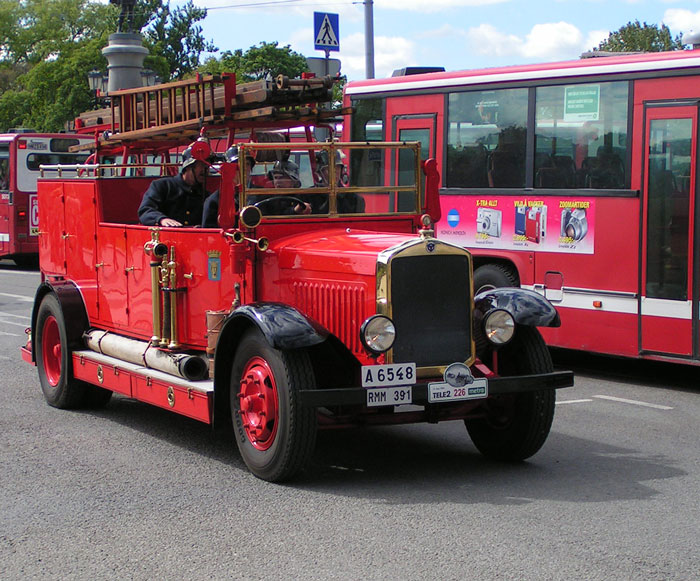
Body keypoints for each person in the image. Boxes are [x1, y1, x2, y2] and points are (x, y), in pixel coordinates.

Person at [138, 151, 208, 227]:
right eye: (202, 165)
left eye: (207, 166)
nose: (206, 169)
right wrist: (161, 219)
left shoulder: (206, 195)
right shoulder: (162, 186)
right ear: (188, 167)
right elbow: (145, 210)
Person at [201, 146, 256, 228]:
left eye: (247, 164)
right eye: (237, 164)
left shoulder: (261, 195)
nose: (243, 168)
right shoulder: (214, 202)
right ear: (227, 170)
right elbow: (210, 233)